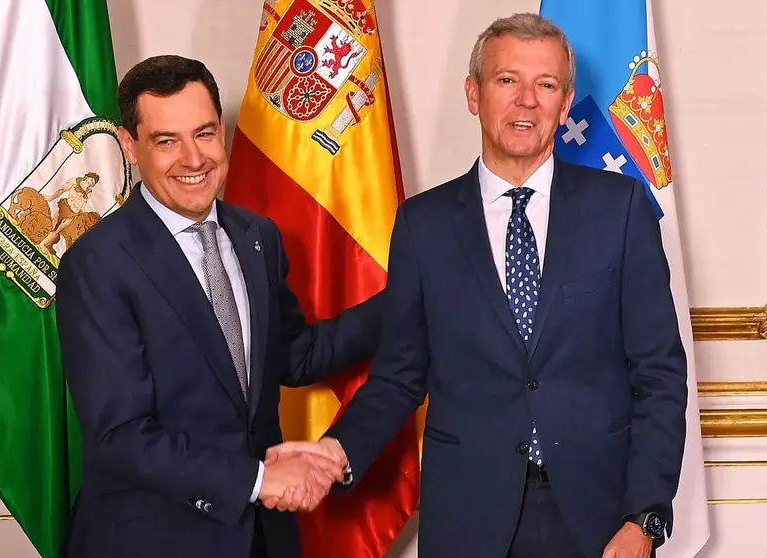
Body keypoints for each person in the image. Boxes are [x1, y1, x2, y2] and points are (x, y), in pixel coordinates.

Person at [268, 13, 688, 558]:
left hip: (601, 521)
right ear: (474, 93)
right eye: (507, 80)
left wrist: (644, 520)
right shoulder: (424, 225)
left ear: (565, 105)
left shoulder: (622, 210)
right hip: (468, 518)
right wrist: (335, 453)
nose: (527, 101)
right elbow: (400, 375)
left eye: (547, 85)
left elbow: (658, 373)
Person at [55, 55, 382, 558]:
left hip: (260, 540)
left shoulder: (257, 237)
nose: (193, 159)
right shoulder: (97, 264)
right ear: (130, 146)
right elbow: (121, 435)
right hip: (151, 541)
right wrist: (259, 479)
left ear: (223, 131)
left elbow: (292, 355)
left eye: (204, 134)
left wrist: (406, 302)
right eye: (167, 141)